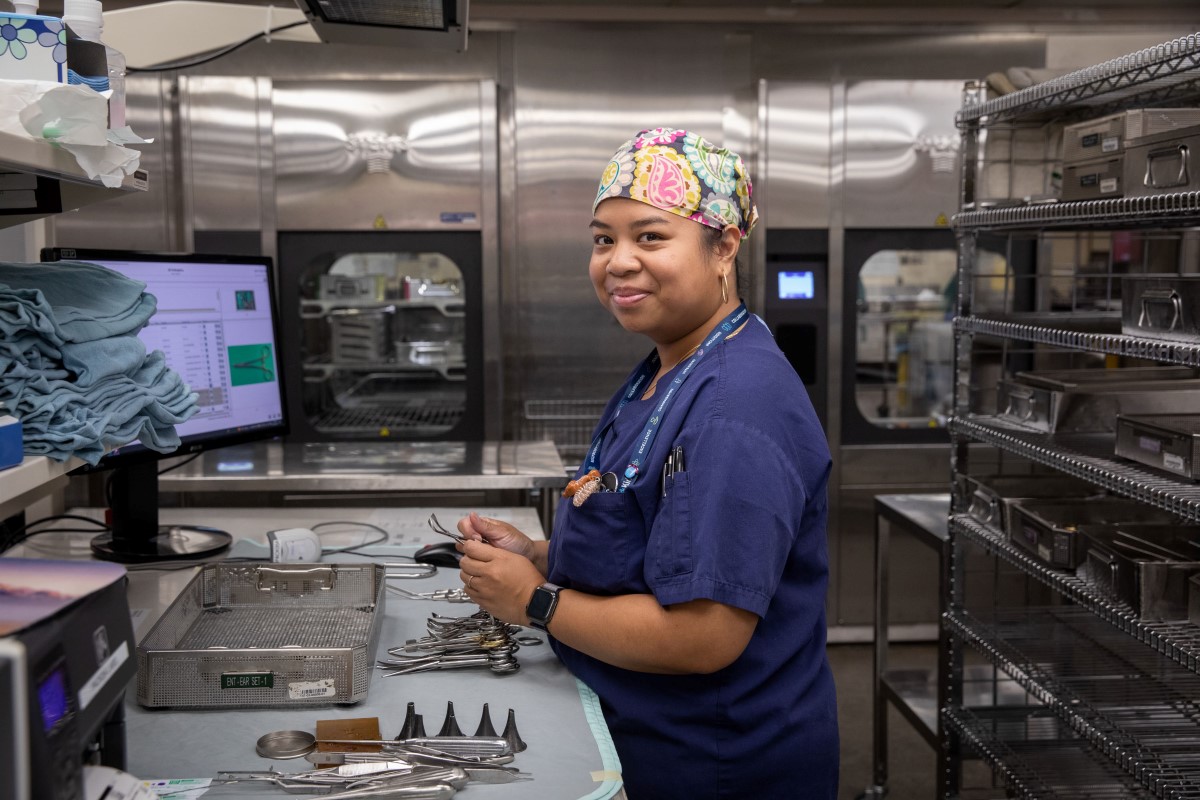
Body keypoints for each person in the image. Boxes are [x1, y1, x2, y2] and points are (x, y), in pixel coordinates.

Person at [455, 127, 838, 799]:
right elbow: (654, 537)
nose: (619, 262)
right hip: (645, 730)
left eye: (651, 237)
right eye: (604, 239)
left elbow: (704, 636)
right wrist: (541, 553)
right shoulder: (665, 371)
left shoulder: (734, 409)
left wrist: (533, 600)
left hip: (716, 760)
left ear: (723, 246)